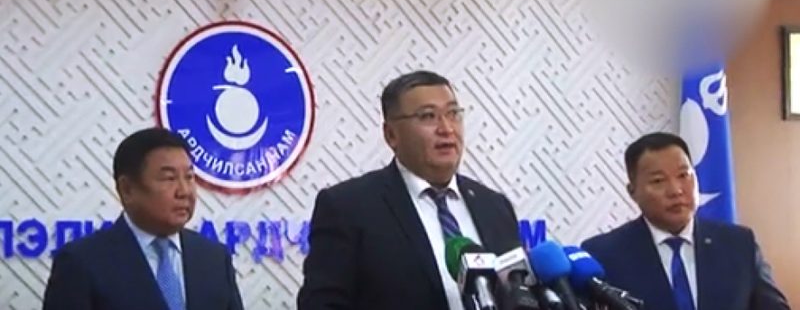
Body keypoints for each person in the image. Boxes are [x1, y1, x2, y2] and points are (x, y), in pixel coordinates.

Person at [297, 70, 522, 310]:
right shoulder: (348, 208)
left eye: (453, 114)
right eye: (428, 116)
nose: (447, 128)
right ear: (391, 135)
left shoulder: (494, 206)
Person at [582, 132, 790, 310]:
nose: (676, 190)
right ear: (633, 192)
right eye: (658, 180)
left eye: (684, 175)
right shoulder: (603, 254)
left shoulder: (739, 244)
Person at [42, 127, 244, 310]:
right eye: (169, 178)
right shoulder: (81, 263)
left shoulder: (214, 259)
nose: (184, 191)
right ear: (127, 189)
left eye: (189, 177)